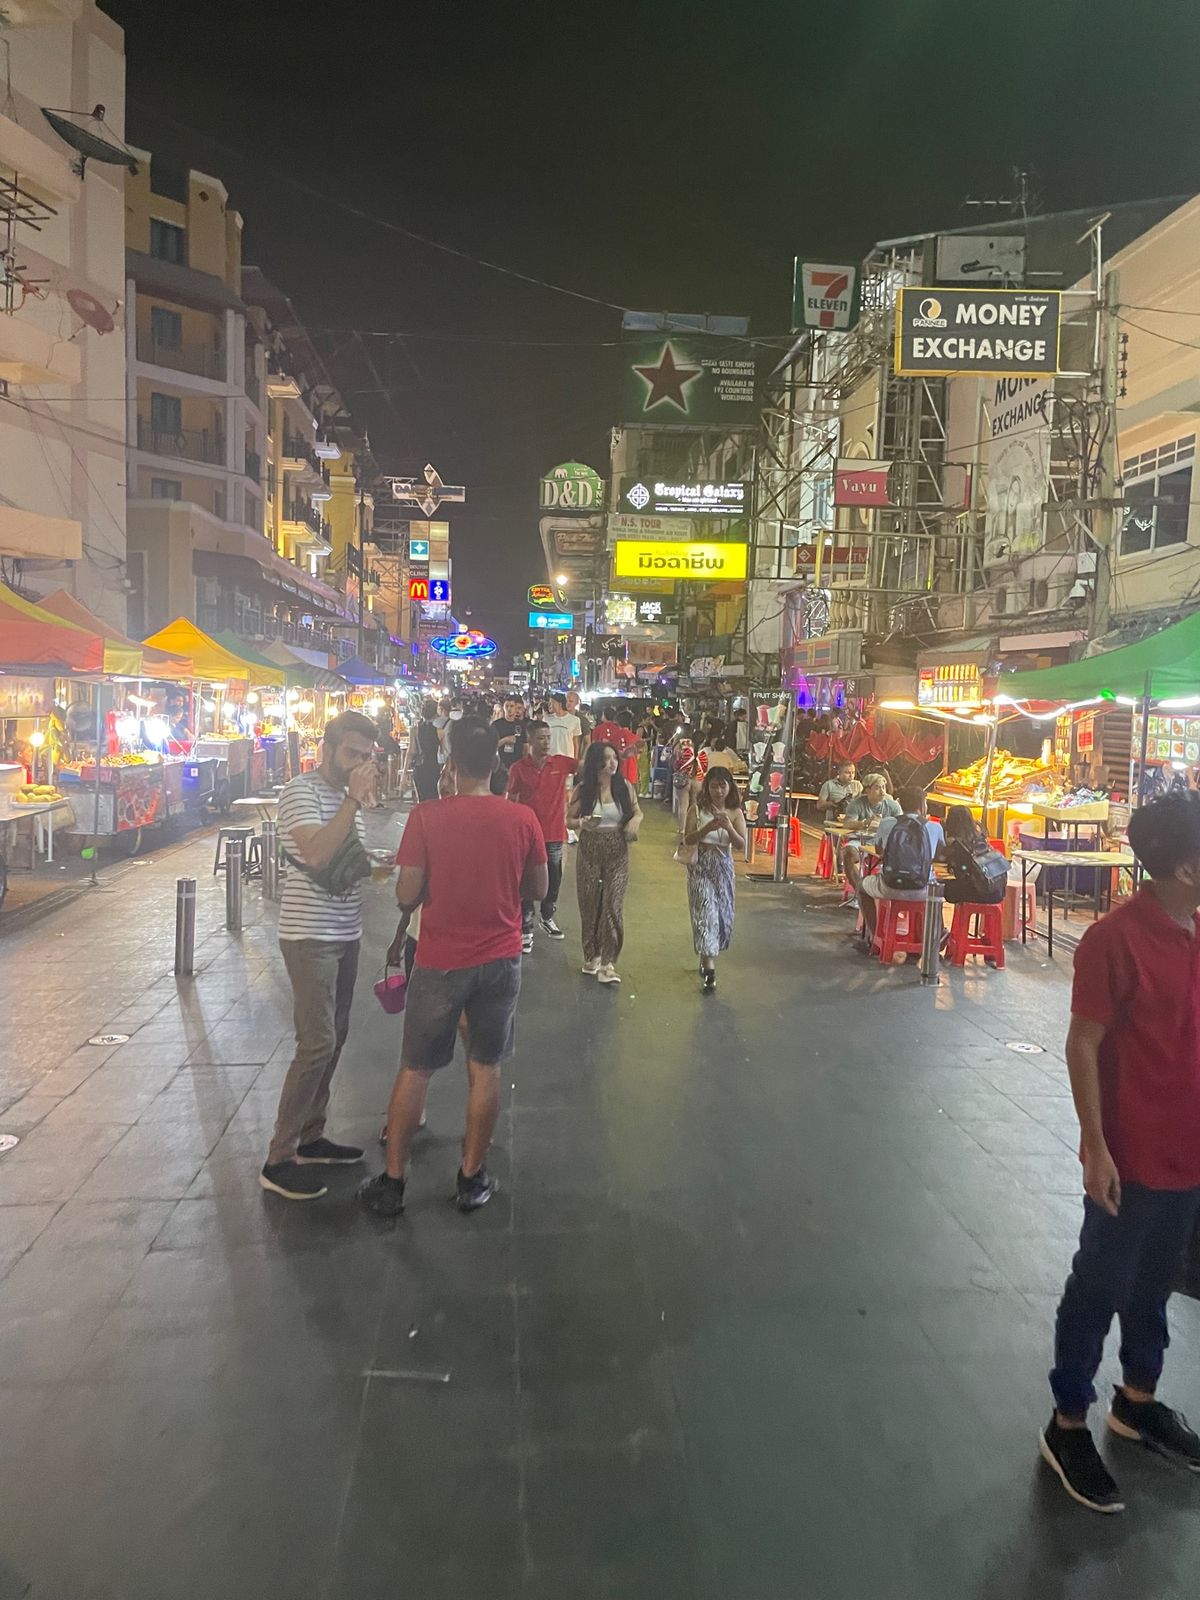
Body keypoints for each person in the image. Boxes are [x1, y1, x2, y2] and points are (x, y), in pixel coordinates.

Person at [1038, 791, 1200, 1513]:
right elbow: (1084, 1042)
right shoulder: (1114, 940)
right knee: (1098, 1285)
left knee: (1156, 1283)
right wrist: (1095, 1147)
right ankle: (1067, 1421)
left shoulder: (1195, 931)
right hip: (1130, 1156)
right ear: (1186, 868)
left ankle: (1136, 1403)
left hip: (1188, 1152)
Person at [359, 718, 548, 1217]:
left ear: (452, 764)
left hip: (440, 961)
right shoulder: (522, 819)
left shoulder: (427, 817)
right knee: (485, 1068)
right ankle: (471, 1176)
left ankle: (393, 1182)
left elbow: (405, 894)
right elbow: (538, 889)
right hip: (500, 959)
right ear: (496, 764)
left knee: (416, 1068)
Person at [260, 710, 379, 1201]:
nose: (358, 763)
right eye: (351, 753)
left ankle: (312, 1134)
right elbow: (316, 854)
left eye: (366, 756)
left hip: (346, 931)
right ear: (327, 748)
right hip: (309, 935)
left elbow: (347, 860)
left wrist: (377, 866)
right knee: (316, 1042)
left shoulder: (347, 797)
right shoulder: (300, 792)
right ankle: (279, 1157)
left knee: (337, 1036)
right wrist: (352, 800)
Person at [568, 741, 642, 985]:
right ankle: (592, 956)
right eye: (607, 758)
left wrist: (635, 821)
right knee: (589, 903)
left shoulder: (624, 787)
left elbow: (637, 811)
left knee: (613, 903)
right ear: (596, 762)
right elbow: (569, 819)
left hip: (617, 849)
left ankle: (608, 963)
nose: (613, 763)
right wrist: (582, 823)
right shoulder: (584, 790)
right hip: (590, 847)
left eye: (615, 758)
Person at [507, 720, 575, 946]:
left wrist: (620, 755)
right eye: (541, 738)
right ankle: (526, 927)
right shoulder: (518, 769)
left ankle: (547, 916)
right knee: (527, 880)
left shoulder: (561, 763)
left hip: (554, 834)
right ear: (530, 740)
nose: (546, 742)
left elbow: (591, 765)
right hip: (527, 835)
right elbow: (511, 799)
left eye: (548, 738)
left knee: (553, 879)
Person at [857, 785, 944, 953]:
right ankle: (934, 938)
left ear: (901, 804)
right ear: (922, 805)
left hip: (890, 887)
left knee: (861, 886)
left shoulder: (887, 823)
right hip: (923, 890)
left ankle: (876, 937)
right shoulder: (935, 827)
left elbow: (879, 851)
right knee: (937, 891)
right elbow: (939, 855)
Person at [683, 766, 747, 992]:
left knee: (722, 917)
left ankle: (705, 956)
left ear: (729, 788)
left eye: (722, 786)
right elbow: (688, 839)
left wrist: (728, 826)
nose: (718, 791)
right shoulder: (697, 810)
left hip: (724, 868)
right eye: (713, 786)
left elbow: (741, 844)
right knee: (705, 913)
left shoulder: (735, 812)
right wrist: (707, 828)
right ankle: (710, 970)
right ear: (707, 788)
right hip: (701, 866)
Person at [840, 773, 897, 893]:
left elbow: (902, 823)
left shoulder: (892, 805)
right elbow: (847, 824)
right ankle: (860, 892)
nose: (882, 792)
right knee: (848, 853)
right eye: (877, 788)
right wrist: (865, 822)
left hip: (884, 843)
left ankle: (887, 892)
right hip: (861, 840)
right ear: (867, 790)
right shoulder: (856, 804)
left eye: (883, 787)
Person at [941, 805, 1008, 906]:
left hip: (984, 892)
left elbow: (961, 873)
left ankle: (937, 917)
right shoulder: (980, 838)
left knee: (944, 888)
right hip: (998, 892)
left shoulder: (959, 846)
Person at [490, 694, 530, 796]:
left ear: (516, 708)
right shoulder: (496, 725)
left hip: (517, 763)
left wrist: (524, 763)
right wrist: (505, 740)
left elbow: (526, 746)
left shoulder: (521, 725)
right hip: (501, 765)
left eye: (511, 706)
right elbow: (490, 746)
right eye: (507, 706)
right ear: (503, 707)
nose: (509, 709)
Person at [412, 698, 442, 803]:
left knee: (422, 801)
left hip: (420, 767)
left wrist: (404, 774)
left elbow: (412, 751)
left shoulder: (416, 729)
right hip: (435, 767)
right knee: (434, 800)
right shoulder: (440, 729)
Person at [544, 690, 582, 761]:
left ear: (560, 704)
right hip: (550, 759)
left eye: (552, 703)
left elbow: (576, 742)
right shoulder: (546, 719)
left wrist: (575, 759)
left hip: (567, 758)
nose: (549, 705)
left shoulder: (575, 720)